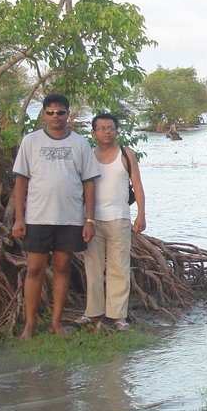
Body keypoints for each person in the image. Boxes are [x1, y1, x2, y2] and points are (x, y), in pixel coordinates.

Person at [11, 93, 100, 338]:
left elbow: (89, 183)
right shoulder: (31, 141)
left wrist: (89, 220)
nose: (55, 117)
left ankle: (56, 323)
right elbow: (21, 181)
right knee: (35, 268)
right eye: (50, 112)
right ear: (43, 114)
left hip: (70, 217)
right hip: (37, 216)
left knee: (62, 267)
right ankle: (30, 324)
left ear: (67, 114)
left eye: (60, 112)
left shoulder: (80, 144)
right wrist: (20, 218)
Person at [78, 112, 146, 332]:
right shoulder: (87, 155)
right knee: (93, 267)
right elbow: (78, 187)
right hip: (91, 218)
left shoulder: (126, 154)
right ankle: (92, 312)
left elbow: (137, 184)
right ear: (94, 132)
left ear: (116, 130)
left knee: (119, 267)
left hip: (119, 217)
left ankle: (118, 316)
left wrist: (141, 214)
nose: (107, 132)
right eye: (102, 128)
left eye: (110, 128)